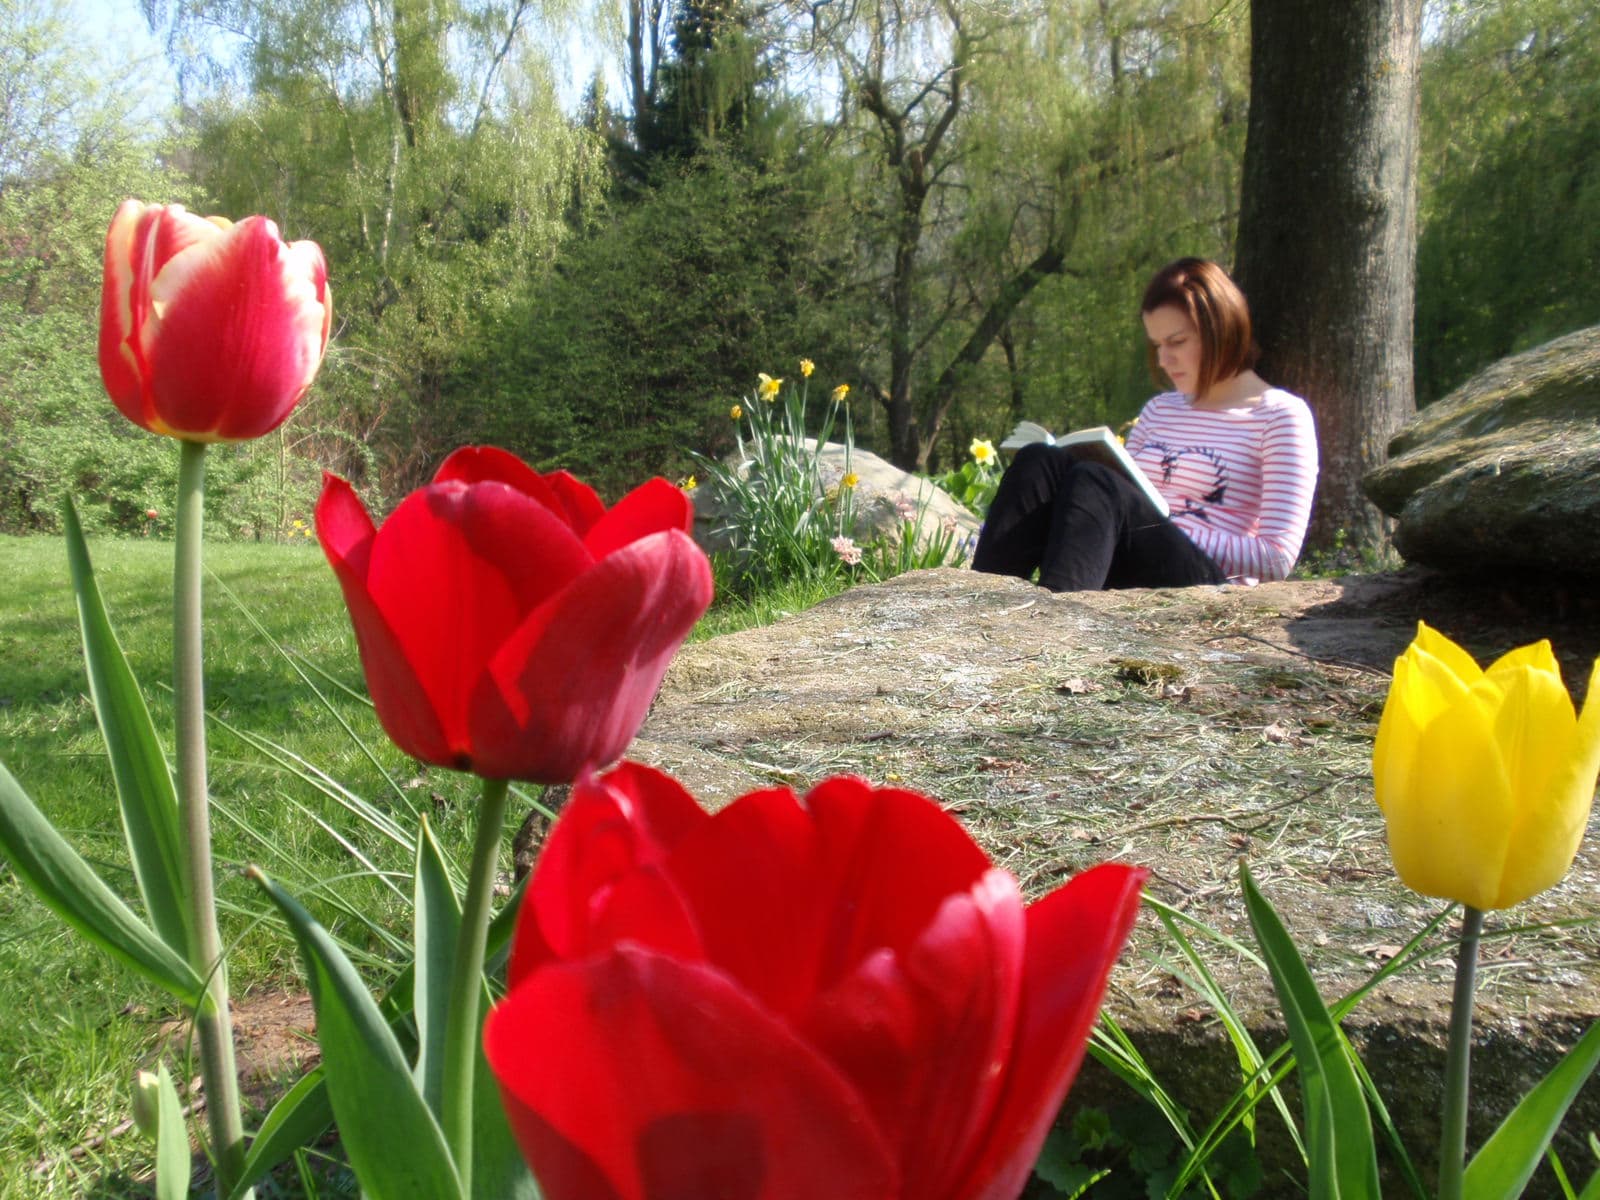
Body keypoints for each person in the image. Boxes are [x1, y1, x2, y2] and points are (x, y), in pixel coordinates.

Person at [972, 257, 1318, 591]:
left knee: (1097, 483)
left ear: (1221, 331)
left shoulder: (1280, 416)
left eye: (1177, 342)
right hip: (1134, 558)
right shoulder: (1159, 410)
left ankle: (1057, 620)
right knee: (1040, 461)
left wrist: (1165, 527)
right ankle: (982, 602)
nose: (1164, 360)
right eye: (1157, 346)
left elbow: (1277, 556)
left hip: (1204, 579)